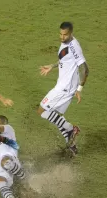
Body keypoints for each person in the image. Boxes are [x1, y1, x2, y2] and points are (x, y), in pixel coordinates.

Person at [38, 22, 89, 156]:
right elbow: (65, 59)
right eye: (60, 34)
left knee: (42, 110)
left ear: (71, 33)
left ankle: (72, 129)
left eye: (64, 35)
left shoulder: (74, 47)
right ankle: (71, 144)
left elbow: (85, 69)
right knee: (55, 115)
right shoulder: (66, 42)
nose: (62, 37)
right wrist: (52, 66)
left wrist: (79, 89)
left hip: (65, 88)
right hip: (63, 84)